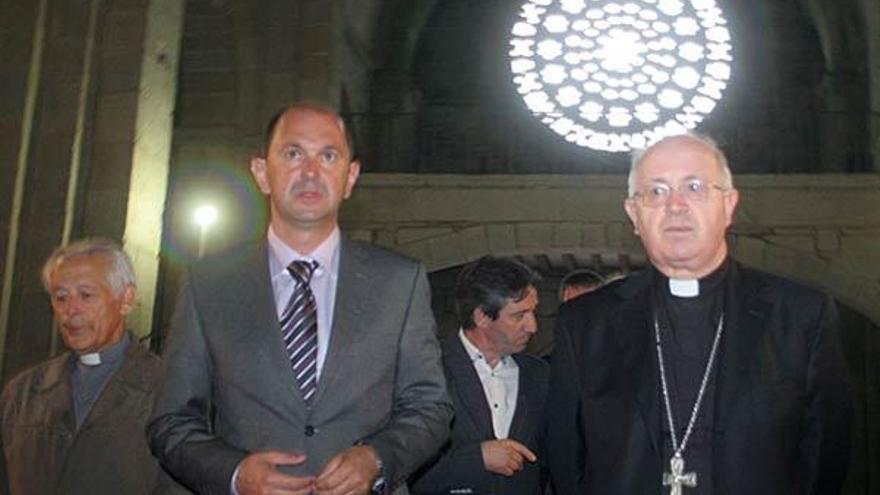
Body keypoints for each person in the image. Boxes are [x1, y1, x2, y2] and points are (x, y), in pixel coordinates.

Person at [148, 102, 452, 495]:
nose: (310, 172)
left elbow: (431, 408)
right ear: (261, 172)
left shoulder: (399, 281)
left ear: (350, 177)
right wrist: (235, 475)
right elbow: (170, 421)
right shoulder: (209, 283)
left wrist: (377, 459)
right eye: (293, 154)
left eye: (328, 156)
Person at [546, 133, 853, 494]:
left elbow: (825, 455)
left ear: (729, 205)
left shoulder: (802, 316)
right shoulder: (585, 323)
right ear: (633, 213)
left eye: (694, 187)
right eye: (656, 192)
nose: (675, 205)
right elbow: (566, 456)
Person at [0, 238, 179, 494]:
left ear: (126, 299)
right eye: (60, 298)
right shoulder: (22, 392)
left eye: (86, 295)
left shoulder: (167, 388)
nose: (70, 310)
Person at [411, 256, 549, 495]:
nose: (533, 326)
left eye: (533, 312)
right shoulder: (428, 371)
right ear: (482, 317)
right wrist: (476, 460)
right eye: (519, 316)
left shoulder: (541, 374)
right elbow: (399, 469)